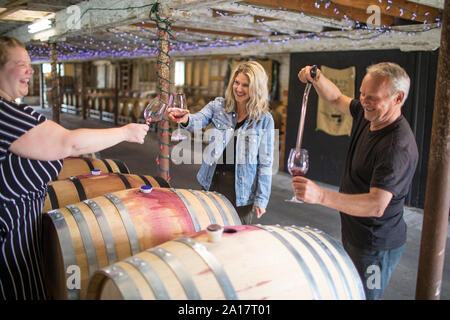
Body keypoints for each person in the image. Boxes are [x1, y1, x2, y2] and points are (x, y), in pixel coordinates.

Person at [0, 36, 149, 300]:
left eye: (31, 64)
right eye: (20, 63)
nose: (30, 70)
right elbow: (69, 143)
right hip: (8, 248)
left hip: (19, 239)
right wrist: (126, 131)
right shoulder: (5, 115)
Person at [294, 62, 418, 300]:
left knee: (365, 295)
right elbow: (336, 98)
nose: (363, 101)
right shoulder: (369, 113)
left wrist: (320, 196)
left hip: (376, 246)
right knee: (350, 291)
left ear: (398, 98)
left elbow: (376, 204)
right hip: (355, 232)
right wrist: (317, 78)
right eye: (362, 93)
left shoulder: (396, 147)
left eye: (372, 97)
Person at [168, 61, 274, 225]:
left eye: (245, 85)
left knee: (236, 237)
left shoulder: (264, 120)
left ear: (257, 88)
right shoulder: (218, 106)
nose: (238, 89)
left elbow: (265, 163)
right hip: (212, 181)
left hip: (241, 191)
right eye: (236, 82)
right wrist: (185, 118)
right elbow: (198, 119)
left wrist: (262, 198)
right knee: (207, 230)